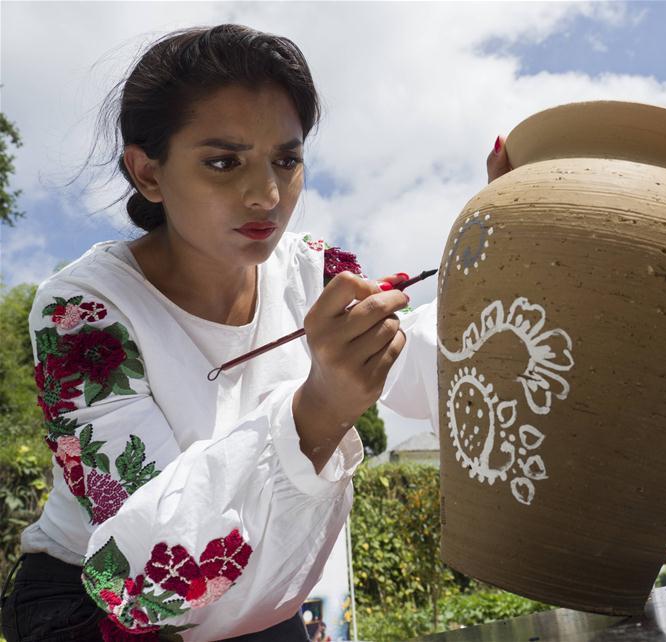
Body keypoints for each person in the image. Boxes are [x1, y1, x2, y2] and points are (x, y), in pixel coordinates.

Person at [0, 24, 512, 641]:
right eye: (223, 162)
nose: (266, 194)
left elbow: (451, 369)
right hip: (97, 611)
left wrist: (517, 251)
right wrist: (318, 412)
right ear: (148, 173)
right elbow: (144, 576)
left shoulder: (315, 274)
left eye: (286, 160)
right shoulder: (83, 311)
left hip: (261, 606)